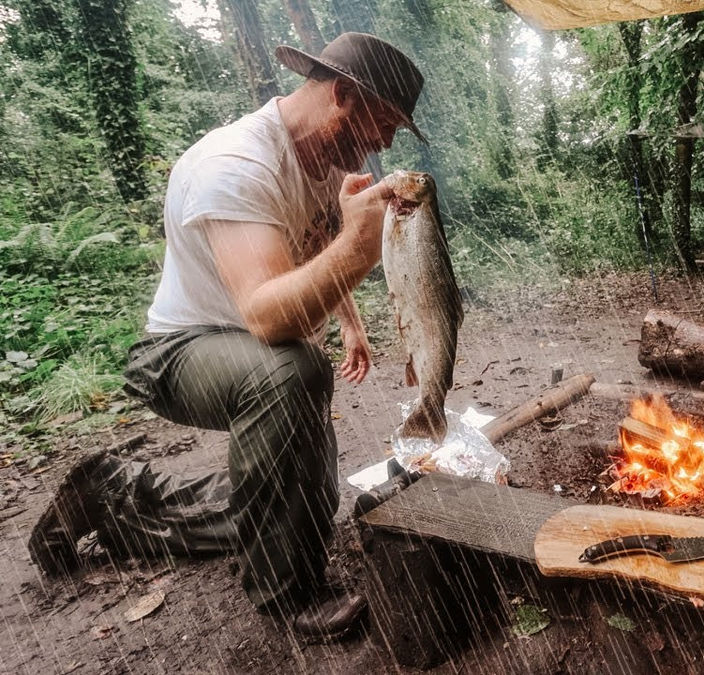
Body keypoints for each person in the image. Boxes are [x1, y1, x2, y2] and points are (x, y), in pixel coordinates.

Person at [27, 32, 427, 642]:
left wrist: (351, 322)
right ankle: (286, 596)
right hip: (180, 351)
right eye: (386, 123)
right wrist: (360, 249)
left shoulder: (323, 162)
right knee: (292, 374)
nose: (385, 143)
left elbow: (315, 250)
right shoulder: (236, 162)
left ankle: (113, 498)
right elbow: (268, 316)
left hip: (261, 352)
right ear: (342, 95)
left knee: (304, 511)